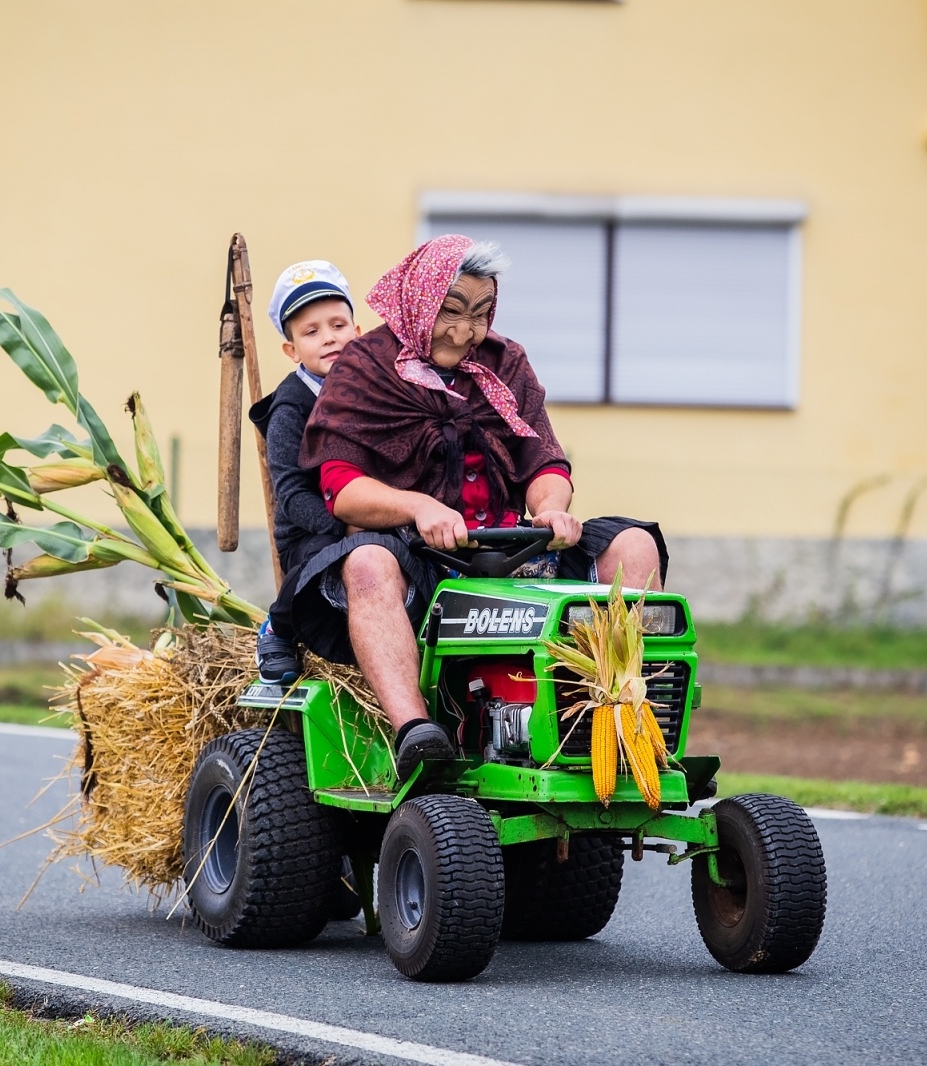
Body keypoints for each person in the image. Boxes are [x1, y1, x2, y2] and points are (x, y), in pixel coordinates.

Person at [292, 234, 668, 777]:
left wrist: (550, 509)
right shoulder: (364, 366)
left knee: (634, 544)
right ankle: (416, 731)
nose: (466, 332)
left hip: (515, 547)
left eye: (480, 314)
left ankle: (611, 723)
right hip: (416, 553)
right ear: (420, 300)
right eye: (451, 311)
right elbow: (342, 488)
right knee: (366, 564)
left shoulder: (505, 361)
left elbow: (545, 461)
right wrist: (419, 507)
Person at [248, 260, 361, 682]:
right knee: (323, 556)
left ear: (358, 331)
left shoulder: (373, 394)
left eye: (337, 325)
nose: (329, 338)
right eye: (311, 332)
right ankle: (278, 628)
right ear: (291, 350)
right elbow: (291, 495)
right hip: (310, 527)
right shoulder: (291, 408)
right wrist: (341, 526)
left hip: (368, 516)